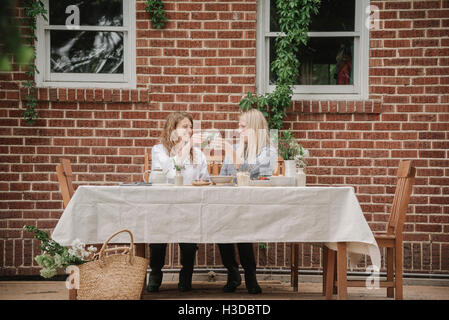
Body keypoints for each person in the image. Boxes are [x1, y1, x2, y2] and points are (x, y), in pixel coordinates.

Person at [213, 108, 278, 294]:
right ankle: (232, 272)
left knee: (241, 225)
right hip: (232, 201)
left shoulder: (268, 151)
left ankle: (250, 274)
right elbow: (225, 175)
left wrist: (229, 149)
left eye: (242, 126)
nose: (238, 130)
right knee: (221, 224)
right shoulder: (235, 148)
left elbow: (248, 170)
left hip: (256, 204)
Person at [148, 112, 210, 293]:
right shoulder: (159, 150)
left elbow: (204, 179)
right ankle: (156, 273)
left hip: (188, 205)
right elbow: (168, 173)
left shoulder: (197, 154)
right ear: (172, 129)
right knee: (158, 239)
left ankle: (186, 273)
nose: (189, 130)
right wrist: (187, 146)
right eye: (185, 126)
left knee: (189, 240)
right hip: (163, 204)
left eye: (191, 127)